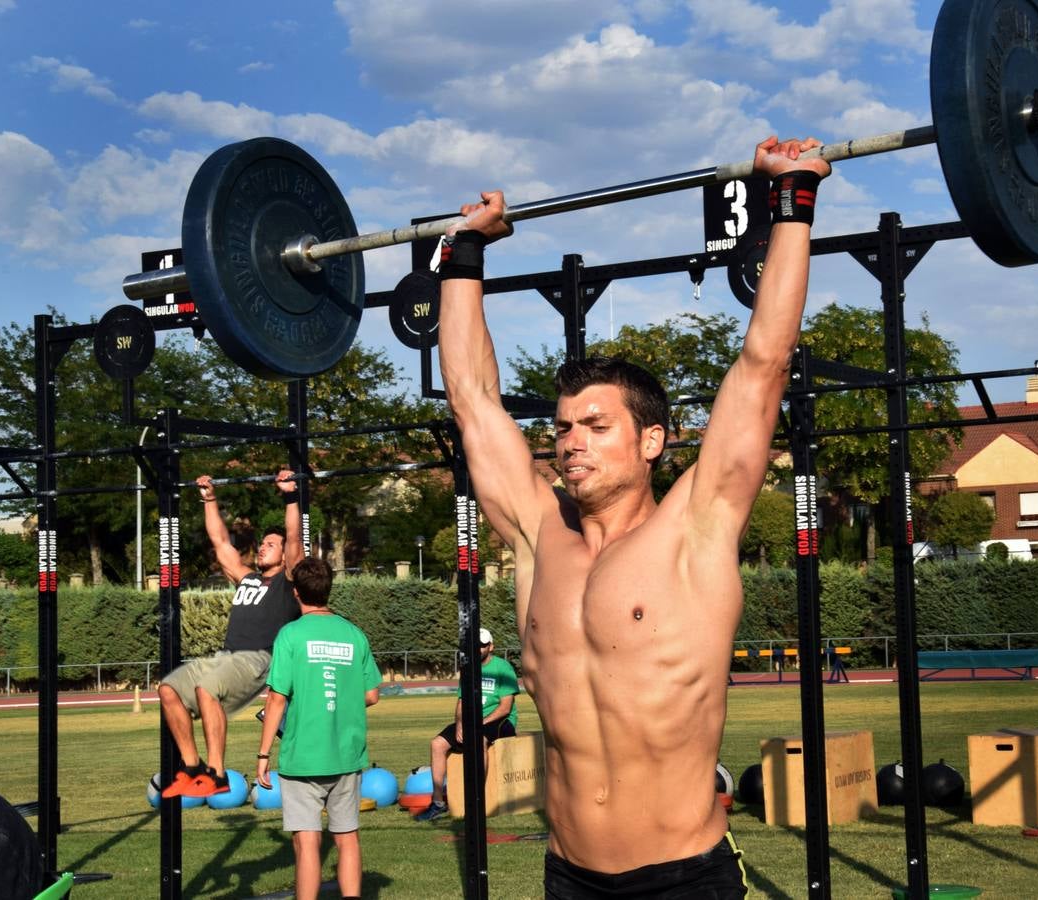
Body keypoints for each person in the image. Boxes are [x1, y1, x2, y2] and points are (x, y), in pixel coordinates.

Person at [437, 136, 828, 895]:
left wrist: (794, 202)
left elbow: (762, 365)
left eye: (596, 425)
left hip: (682, 879)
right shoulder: (538, 533)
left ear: (652, 440)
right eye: (563, 427)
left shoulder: (696, 527)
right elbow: (472, 401)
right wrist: (465, 256)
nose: (571, 442)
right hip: (569, 877)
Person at [156, 469, 303, 798]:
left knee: (206, 689)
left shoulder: (287, 582)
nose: (263, 548)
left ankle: (217, 773)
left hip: (259, 659)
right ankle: (193, 767)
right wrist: (210, 499)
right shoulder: (247, 577)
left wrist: (291, 497)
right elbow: (220, 541)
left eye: (270, 545)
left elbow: (294, 541)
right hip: (227, 657)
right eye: (262, 543)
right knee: (168, 690)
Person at [256, 557, 381, 900]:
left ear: (296, 592)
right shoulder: (354, 634)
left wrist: (264, 754)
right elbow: (371, 695)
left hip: (303, 755)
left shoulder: (290, 635)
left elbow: (277, 698)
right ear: (329, 590)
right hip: (347, 752)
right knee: (347, 837)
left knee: (307, 840)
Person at [415, 627, 519, 822]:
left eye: (482, 646)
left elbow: (505, 708)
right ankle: (438, 803)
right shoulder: (468, 668)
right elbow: (462, 702)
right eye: (474, 646)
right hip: (473, 719)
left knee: (479, 739)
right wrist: (461, 723)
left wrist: (480, 723)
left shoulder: (503, 668)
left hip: (501, 721)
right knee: (437, 744)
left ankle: (477, 801)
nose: (477, 649)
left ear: (491, 646)